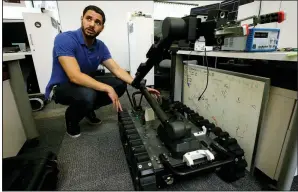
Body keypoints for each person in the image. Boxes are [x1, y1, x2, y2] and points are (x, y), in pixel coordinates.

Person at [45, 5, 160, 138]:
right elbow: (74, 76)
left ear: (102, 27)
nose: (92, 24)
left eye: (97, 22)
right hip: (62, 87)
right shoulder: (65, 39)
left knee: (119, 84)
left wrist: (141, 86)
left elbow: (116, 69)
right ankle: (71, 119)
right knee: (88, 95)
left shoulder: (100, 46)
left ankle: (87, 109)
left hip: (84, 84)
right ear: (82, 19)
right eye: (88, 19)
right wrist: (106, 88)